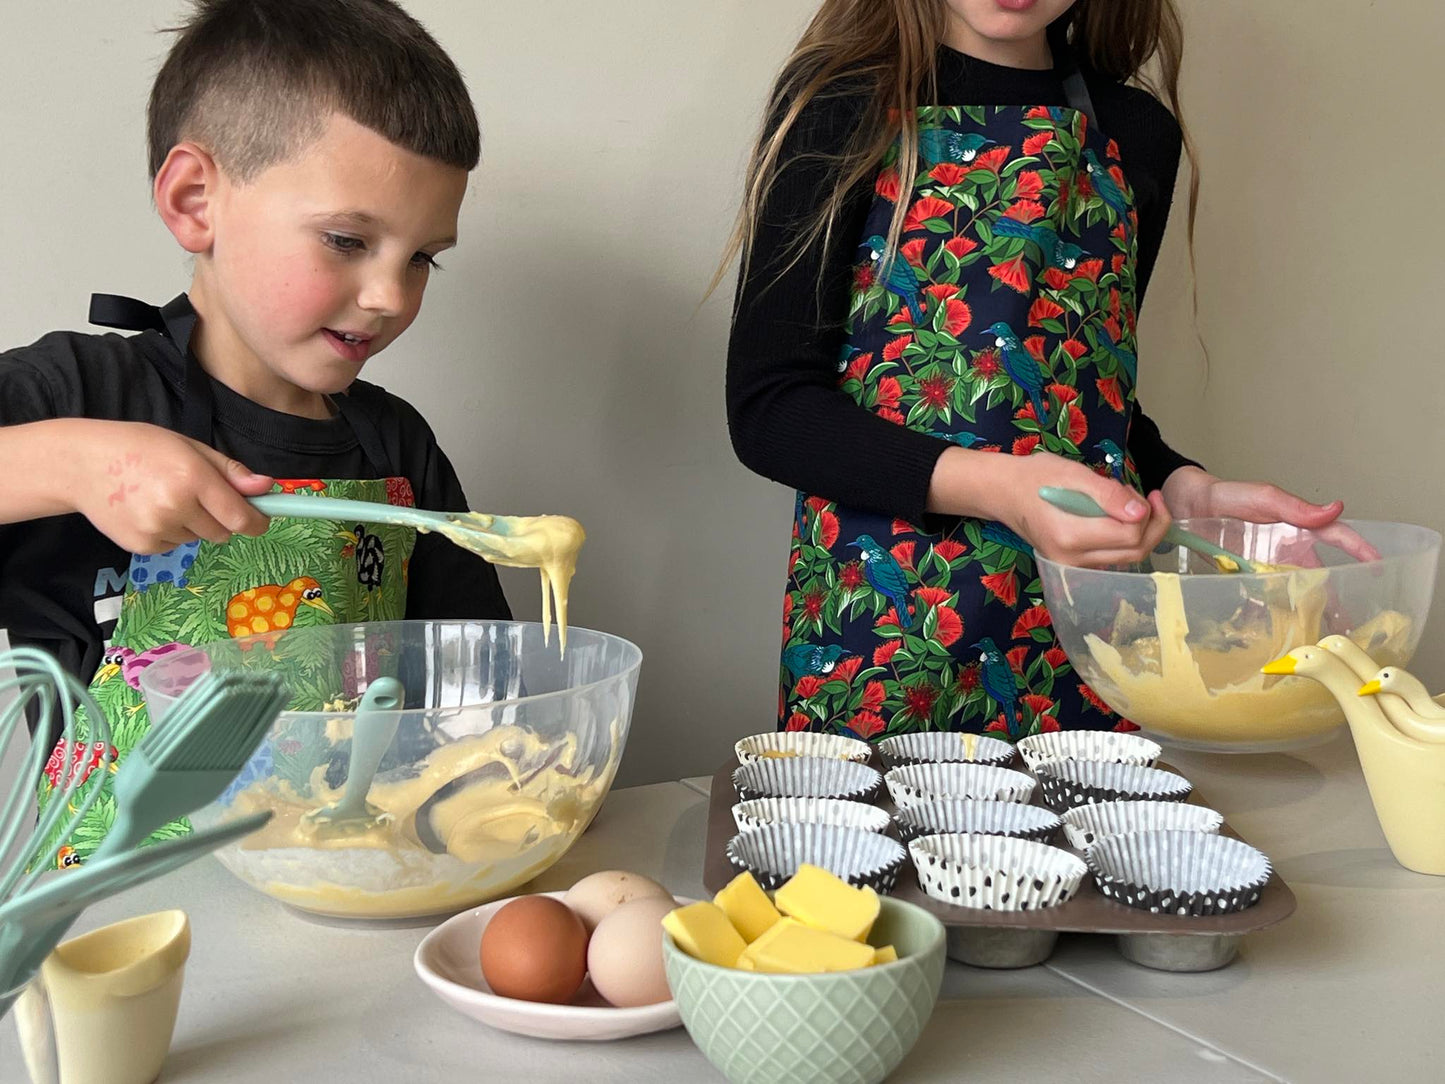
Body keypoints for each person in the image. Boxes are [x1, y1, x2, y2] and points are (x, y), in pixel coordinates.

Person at [725, 0, 1356, 739]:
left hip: (1085, 625)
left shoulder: (1134, 133)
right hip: (881, 639)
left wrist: (1183, 488)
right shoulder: (840, 105)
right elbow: (770, 409)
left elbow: (1081, 382)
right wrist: (1003, 489)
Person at [0, 0, 510, 860]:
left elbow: (473, 688)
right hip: (113, 925)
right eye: (348, 239)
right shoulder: (83, 394)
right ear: (196, 201)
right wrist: (64, 460)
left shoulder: (395, 447)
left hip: (343, 888)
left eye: (421, 257)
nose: (391, 294)